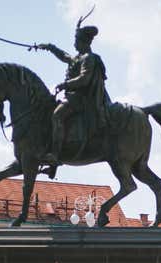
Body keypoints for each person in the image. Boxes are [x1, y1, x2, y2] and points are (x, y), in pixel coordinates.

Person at [36, 22, 112, 166]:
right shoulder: (79, 57)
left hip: (81, 98)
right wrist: (50, 47)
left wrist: (65, 84)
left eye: (76, 41)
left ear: (83, 42)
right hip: (72, 96)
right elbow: (65, 56)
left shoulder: (88, 58)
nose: (74, 44)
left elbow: (84, 79)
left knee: (57, 115)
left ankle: (55, 154)